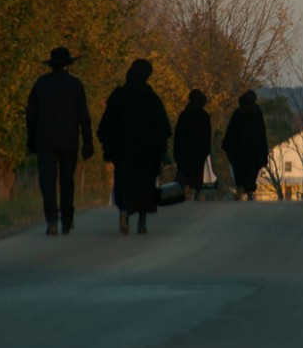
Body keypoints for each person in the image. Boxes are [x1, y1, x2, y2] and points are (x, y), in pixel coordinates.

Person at [97, 59, 171, 235]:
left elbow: (107, 125)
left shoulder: (119, 96)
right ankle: (142, 222)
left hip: (124, 152)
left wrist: (110, 147)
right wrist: (160, 151)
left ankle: (124, 212)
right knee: (145, 187)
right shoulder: (152, 99)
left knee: (124, 183)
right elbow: (162, 129)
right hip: (146, 154)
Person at [26, 46, 94, 236]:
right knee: (67, 181)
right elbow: (84, 116)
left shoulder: (41, 84)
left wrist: (31, 139)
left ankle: (52, 221)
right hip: (69, 140)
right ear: (67, 65)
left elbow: (31, 115)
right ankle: (67, 219)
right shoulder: (75, 85)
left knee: (48, 182)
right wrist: (88, 141)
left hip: (45, 140)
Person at [221, 89, 269, 201]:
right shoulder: (257, 112)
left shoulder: (239, 112)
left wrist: (229, 145)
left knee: (240, 169)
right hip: (254, 148)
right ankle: (250, 190)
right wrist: (262, 149)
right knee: (252, 170)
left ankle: (241, 187)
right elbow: (261, 133)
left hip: (239, 149)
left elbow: (231, 132)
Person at [173, 89, 212, 201]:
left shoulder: (184, 115)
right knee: (197, 172)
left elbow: (178, 134)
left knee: (184, 171)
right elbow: (207, 135)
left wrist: (176, 151)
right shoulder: (204, 116)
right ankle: (196, 191)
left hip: (184, 150)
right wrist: (206, 150)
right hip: (199, 150)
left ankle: (183, 189)